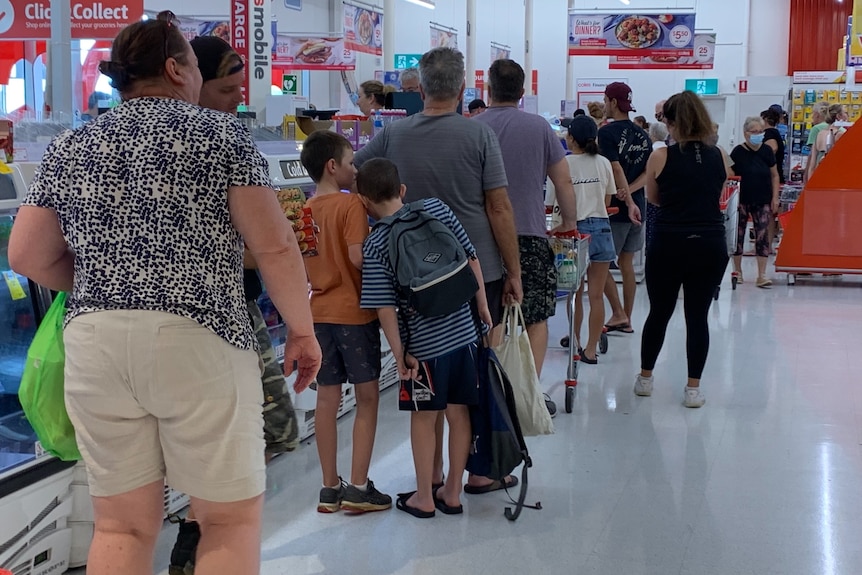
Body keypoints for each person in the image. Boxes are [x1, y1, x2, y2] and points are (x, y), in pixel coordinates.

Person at [7, 12, 321, 575]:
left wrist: (112, 283)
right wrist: (300, 329)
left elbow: (26, 256)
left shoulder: (73, 146)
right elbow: (274, 249)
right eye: (197, 67)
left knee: (121, 525)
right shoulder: (221, 137)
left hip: (95, 345)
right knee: (227, 521)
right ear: (175, 69)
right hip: (200, 337)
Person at [354, 47, 521, 495]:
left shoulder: (393, 134)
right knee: (473, 377)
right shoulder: (479, 136)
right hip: (473, 268)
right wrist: (513, 270)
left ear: (421, 89)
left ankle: (428, 476)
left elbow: (353, 172)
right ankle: (477, 471)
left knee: (430, 378)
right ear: (463, 89)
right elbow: (499, 206)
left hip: (412, 281)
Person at [167, 35, 303, 575]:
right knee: (258, 435)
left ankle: (199, 528)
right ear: (188, 79)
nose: (234, 100)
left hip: (168, 324)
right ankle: (205, 529)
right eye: (226, 88)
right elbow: (260, 247)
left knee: (243, 438)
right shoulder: (218, 143)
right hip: (220, 321)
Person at [357, 158, 493, 518]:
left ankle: (423, 497)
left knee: (422, 418)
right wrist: (481, 307)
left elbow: (385, 308)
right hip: (463, 333)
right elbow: (471, 258)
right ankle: (452, 491)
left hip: (423, 349)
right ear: (402, 190)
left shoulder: (376, 244)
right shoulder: (436, 208)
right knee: (459, 413)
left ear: (364, 202)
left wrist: (400, 355)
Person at [299, 131, 391, 515]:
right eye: (351, 163)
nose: (355, 170)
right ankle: (358, 486)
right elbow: (357, 257)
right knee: (367, 399)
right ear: (332, 166)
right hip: (354, 313)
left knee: (326, 400)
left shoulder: (304, 209)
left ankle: (328, 488)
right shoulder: (351, 205)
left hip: (318, 313)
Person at [474, 58, 578, 375]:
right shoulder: (539, 128)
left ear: (488, 89)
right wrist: (569, 223)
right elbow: (563, 181)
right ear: (522, 92)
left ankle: (489, 389)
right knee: (535, 318)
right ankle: (527, 392)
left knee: (489, 316)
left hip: (481, 239)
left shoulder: (473, 128)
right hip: (530, 236)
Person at [634, 91, 731, 408]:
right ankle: (693, 388)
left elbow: (654, 198)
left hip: (670, 241)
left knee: (659, 313)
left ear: (673, 123)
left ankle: (646, 378)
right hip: (710, 242)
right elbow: (716, 192)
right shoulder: (719, 154)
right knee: (697, 316)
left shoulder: (661, 156)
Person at [547, 116, 615, 363]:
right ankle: (590, 349)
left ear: (571, 138)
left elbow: (550, 203)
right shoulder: (604, 162)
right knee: (596, 295)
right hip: (602, 228)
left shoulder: (562, 163)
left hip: (572, 232)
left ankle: (574, 340)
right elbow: (608, 201)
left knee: (575, 292)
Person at [598, 82, 649, 333]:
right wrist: (631, 192)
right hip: (640, 207)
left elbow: (615, 167)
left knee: (602, 263)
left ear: (613, 102)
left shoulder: (606, 134)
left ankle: (618, 313)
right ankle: (627, 318)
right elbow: (649, 172)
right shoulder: (643, 134)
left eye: (605, 100)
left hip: (617, 210)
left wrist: (626, 199)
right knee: (626, 263)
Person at [731, 117, 780, 288]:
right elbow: (730, 177)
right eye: (754, 132)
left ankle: (762, 274)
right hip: (741, 201)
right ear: (746, 133)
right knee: (737, 236)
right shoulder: (737, 152)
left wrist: (775, 197)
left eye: (761, 132)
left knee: (762, 236)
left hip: (763, 200)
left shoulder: (766, 151)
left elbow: (775, 175)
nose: (758, 135)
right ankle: (737, 271)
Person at [810, 103, 846, 175]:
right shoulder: (839, 135)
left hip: (818, 174)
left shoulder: (819, 134)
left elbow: (812, 164)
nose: (846, 115)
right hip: (832, 175)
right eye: (845, 112)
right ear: (838, 116)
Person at [803, 101, 830, 183]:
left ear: (817, 114)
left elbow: (812, 154)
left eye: (812, 114)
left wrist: (807, 173)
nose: (812, 117)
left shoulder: (816, 129)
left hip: (818, 168)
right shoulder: (840, 128)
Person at [761, 108, 786, 184]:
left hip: (771, 176)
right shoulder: (775, 133)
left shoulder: (769, 134)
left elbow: (773, 149)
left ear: (765, 119)